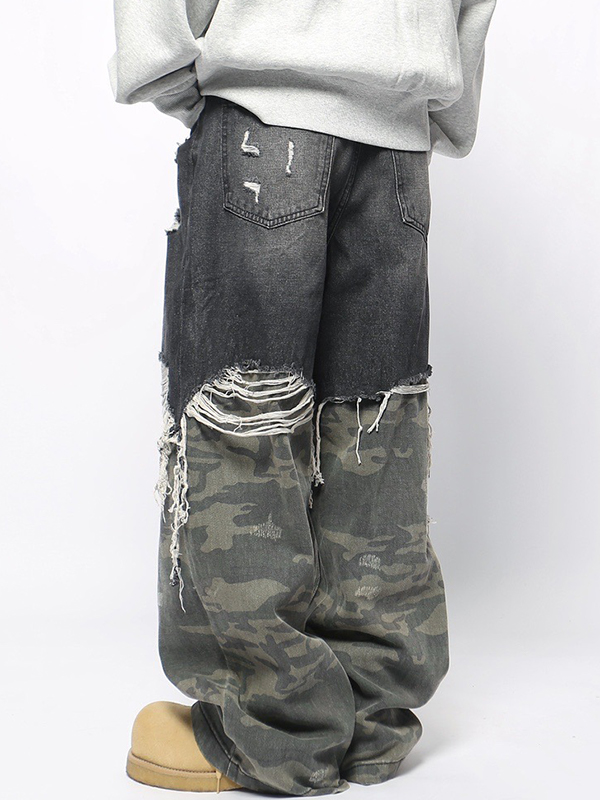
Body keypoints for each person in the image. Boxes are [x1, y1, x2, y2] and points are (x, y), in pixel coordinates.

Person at [108, 1, 497, 795]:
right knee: (375, 428)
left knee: (245, 423)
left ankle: (269, 732)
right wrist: (431, 94)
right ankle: (370, 713)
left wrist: (172, 65)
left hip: (265, 109)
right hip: (398, 134)